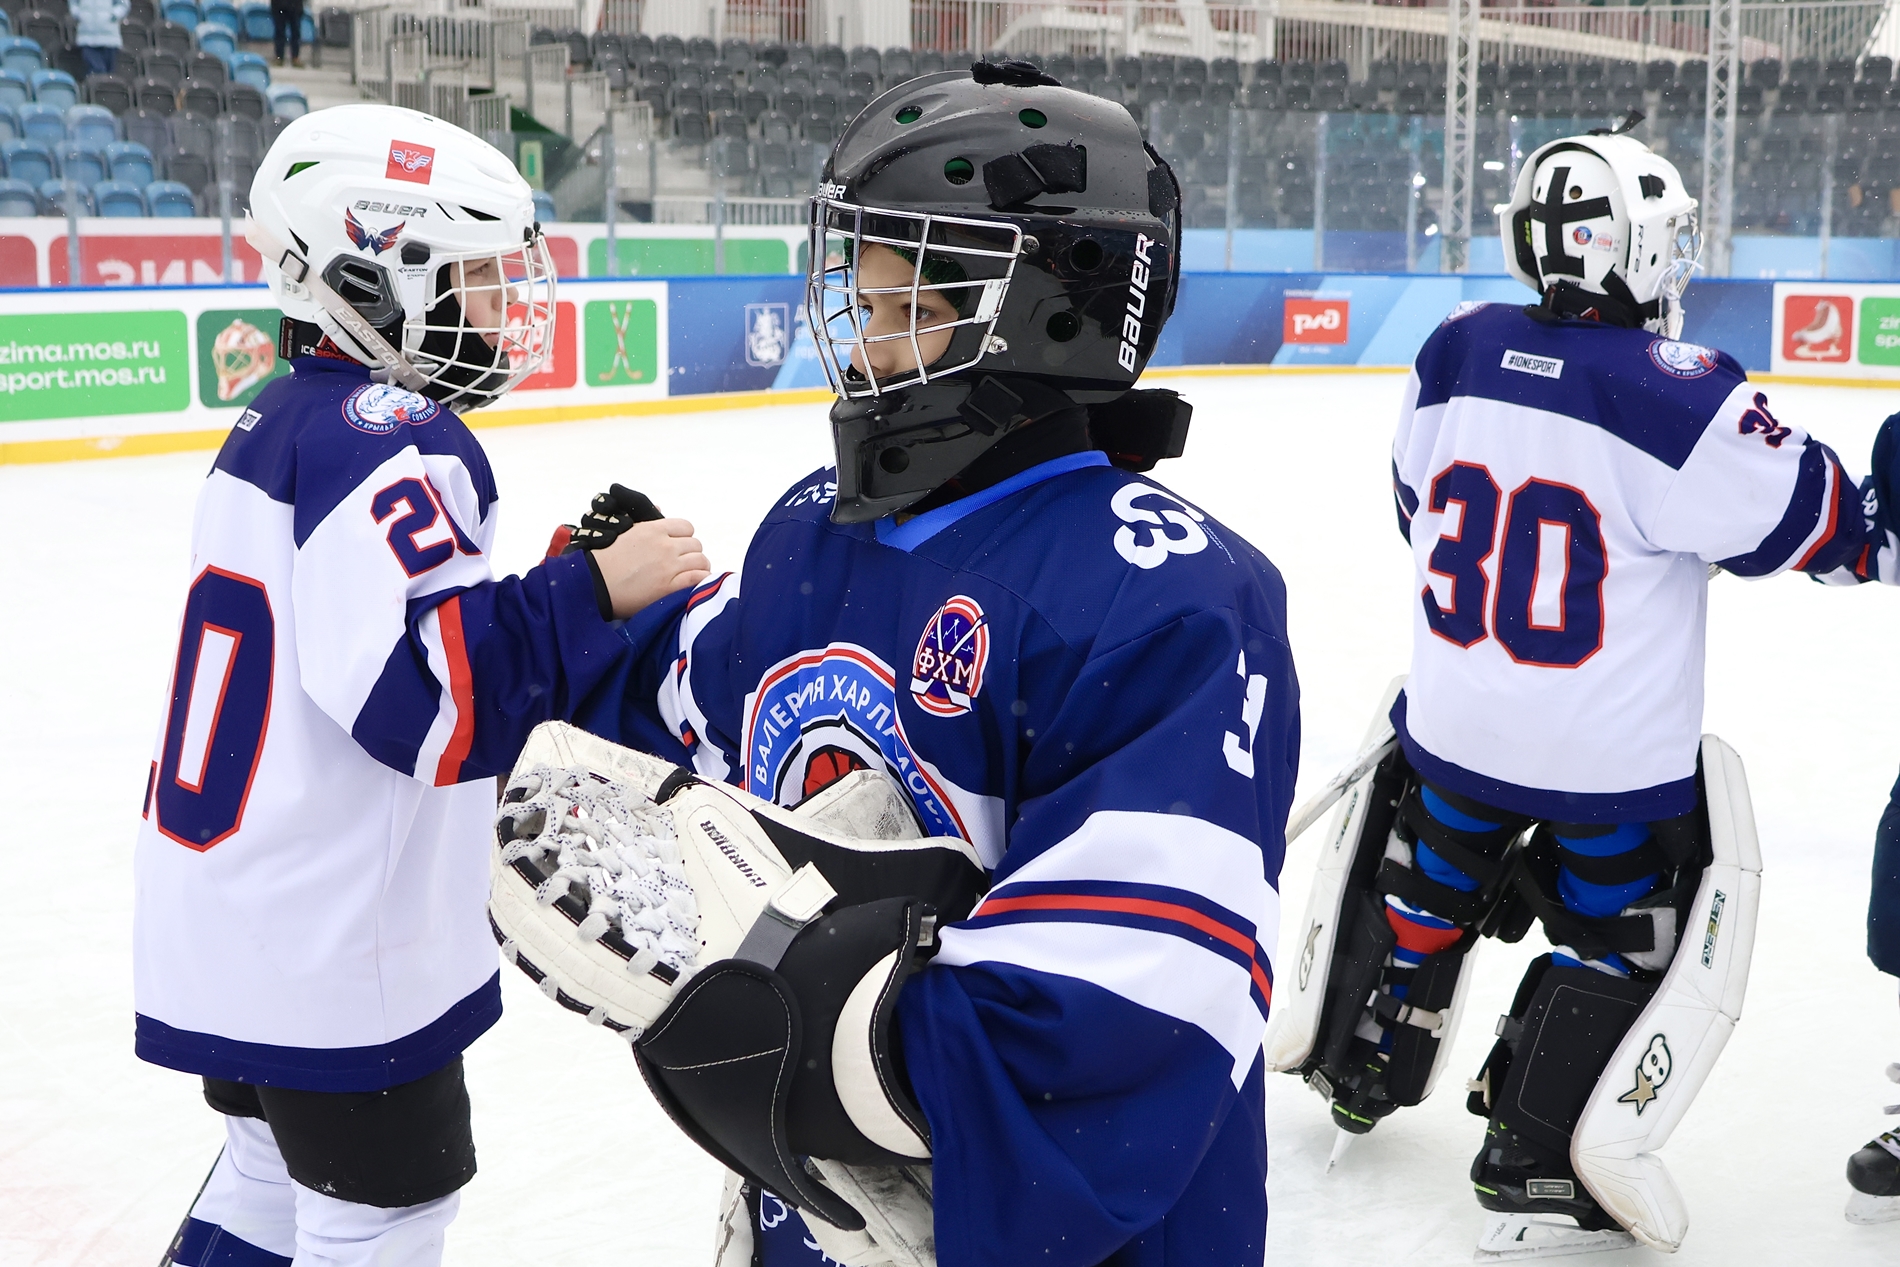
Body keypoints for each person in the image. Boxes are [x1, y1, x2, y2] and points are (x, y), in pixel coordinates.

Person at [513, 61, 1299, 1265]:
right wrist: (584, 630)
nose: (864, 343)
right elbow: (698, 723)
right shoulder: (810, 525)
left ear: (1049, 307)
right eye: (863, 300)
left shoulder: (1166, 597)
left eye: (909, 310)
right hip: (819, 1198)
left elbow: (1141, 987)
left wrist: (826, 1037)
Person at [136, 104, 708, 1267]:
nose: (505, 308)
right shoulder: (400, 437)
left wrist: (541, 594)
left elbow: (357, 645)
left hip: (233, 915)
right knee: (380, 1220)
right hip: (339, 946)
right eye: (478, 279)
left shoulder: (280, 421)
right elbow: (424, 706)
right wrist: (591, 592)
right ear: (371, 274)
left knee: (261, 1180)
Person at [1284, 122, 1866, 1256]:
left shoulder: (1452, 348)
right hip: (1608, 768)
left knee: (1433, 869)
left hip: (1453, 731)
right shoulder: (1677, 393)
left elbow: (1416, 508)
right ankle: (1533, 1142)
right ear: (1638, 252)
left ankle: (1373, 1052)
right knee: (1634, 933)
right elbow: (1821, 523)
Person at [71, 0, 130, 77]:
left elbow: (123, 4)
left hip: (110, 38)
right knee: (97, 73)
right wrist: (78, 14)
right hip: (87, 38)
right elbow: (73, 3)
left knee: (109, 75)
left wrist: (114, 15)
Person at [271, 0, 304, 67]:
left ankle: (295, 57)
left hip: (295, 5)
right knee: (279, 32)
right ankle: (279, 57)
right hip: (279, 5)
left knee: (296, 33)